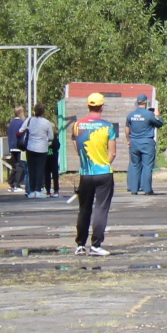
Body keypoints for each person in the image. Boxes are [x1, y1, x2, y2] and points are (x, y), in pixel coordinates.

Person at [68, 93, 118, 255]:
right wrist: (104, 164)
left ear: (88, 106)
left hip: (86, 173)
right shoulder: (107, 126)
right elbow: (113, 153)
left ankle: (80, 244)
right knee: (101, 209)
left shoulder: (77, 125)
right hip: (103, 172)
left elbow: (77, 149)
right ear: (102, 106)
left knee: (84, 209)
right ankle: (96, 244)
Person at [124, 94, 163, 195]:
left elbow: (127, 129)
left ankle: (133, 189)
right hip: (146, 142)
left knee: (134, 165)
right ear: (145, 102)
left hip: (134, 142)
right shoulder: (149, 114)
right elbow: (159, 124)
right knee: (147, 166)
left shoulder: (131, 115)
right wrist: (157, 115)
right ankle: (147, 189)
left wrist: (128, 140)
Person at [22, 105, 56, 199]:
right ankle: (38, 190)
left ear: (34, 111)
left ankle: (31, 191)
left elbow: (21, 130)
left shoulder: (29, 120)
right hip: (42, 148)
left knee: (31, 169)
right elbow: (51, 137)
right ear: (43, 112)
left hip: (30, 147)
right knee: (40, 170)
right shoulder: (46, 122)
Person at [5, 105, 28, 191]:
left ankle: (11, 182)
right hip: (19, 146)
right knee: (20, 166)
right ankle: (17, 184)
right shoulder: (21, 123)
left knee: (15, 165)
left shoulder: (11, 122)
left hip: (12, 146)